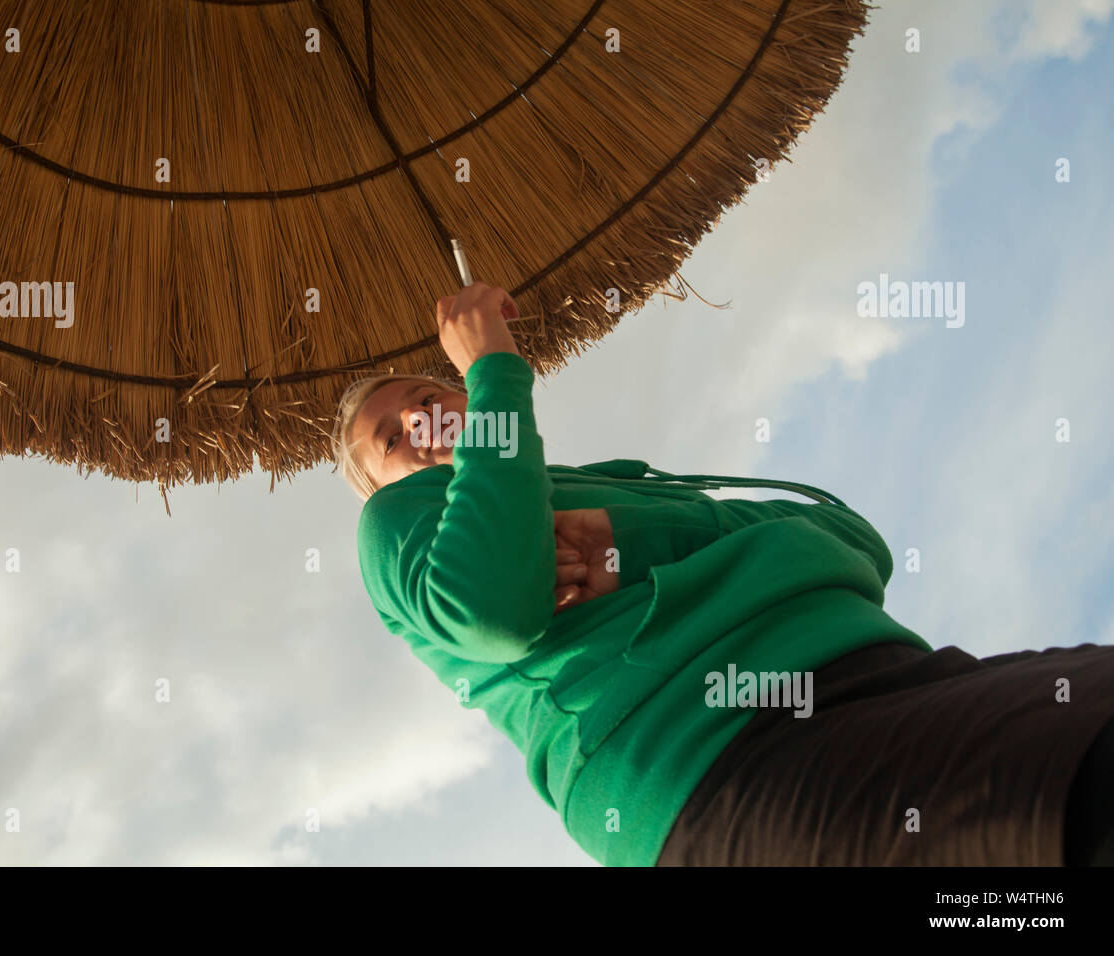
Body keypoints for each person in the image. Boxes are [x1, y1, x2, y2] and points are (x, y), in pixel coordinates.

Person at [331, 281, 1114, 866]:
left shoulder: (605, 482)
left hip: (891, 674)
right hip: (720, 755)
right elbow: (494, 607)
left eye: (431, 395)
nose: (418, 418)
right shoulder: (394, 521)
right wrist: (496, 369)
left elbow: (850, 538)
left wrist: (626, 537)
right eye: (390, 438)